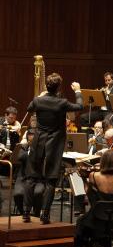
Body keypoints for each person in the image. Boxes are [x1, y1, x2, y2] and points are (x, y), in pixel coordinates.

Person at [23, 73, 83, 224]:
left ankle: (25, 212)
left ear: (47, 87)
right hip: (54, 143)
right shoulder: (61, 102)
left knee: (31, 177)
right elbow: (80, 106)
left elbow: (29, 107)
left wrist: (41, 96)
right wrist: (78, 91)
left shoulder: (39, 100)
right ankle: (45, 214)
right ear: (59, 88)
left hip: (38, 141)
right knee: (50, 179)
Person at [74, 150, 113, 247]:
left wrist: (86, 177)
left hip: (96, 217)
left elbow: (88, 193)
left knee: (80, 222)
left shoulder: (94, 175)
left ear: (102, 161)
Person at [13, 129, 44, 216]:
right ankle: (23, 213)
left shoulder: (42, 149)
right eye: (29, 138)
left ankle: (36, 213)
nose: (31, 139)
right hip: (23, 178)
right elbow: (19, 158)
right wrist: (30, 151)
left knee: (38, 192)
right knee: (18, 193)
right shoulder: (23, 147)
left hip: (39, 179)